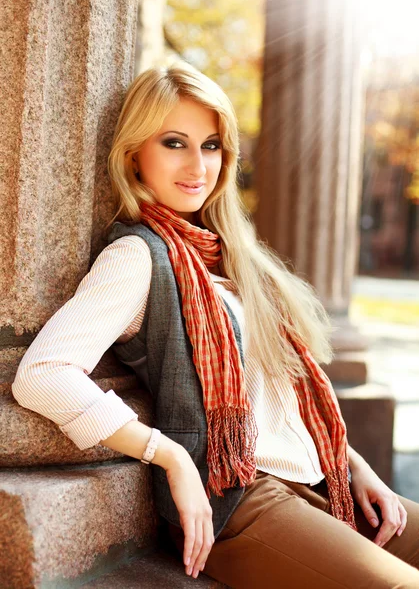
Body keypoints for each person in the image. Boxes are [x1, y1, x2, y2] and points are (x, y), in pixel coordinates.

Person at [12, 63, 419, 589]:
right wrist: (171, 456)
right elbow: (42, 372)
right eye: (175, 142)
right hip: (238, 501)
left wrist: (354, 465)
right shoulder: (140, 256)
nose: (198, 165)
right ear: (136, 153)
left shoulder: (234, 260)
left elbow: (284, 395)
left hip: (320, 480)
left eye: (211, 145)